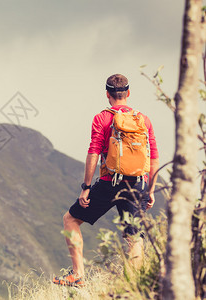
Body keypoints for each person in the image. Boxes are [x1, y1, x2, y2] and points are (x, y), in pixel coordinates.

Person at [53, 74, 159, 287]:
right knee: (134, 235)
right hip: (137, 183)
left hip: (110, 182)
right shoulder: (143, 120)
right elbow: (154, 157)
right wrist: (151, 190)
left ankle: (78, 275)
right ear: (128, 93)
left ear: (107, 95)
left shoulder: (102, 118)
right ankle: (135, 285)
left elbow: (93, 153)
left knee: (70, 220)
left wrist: (86, 187)